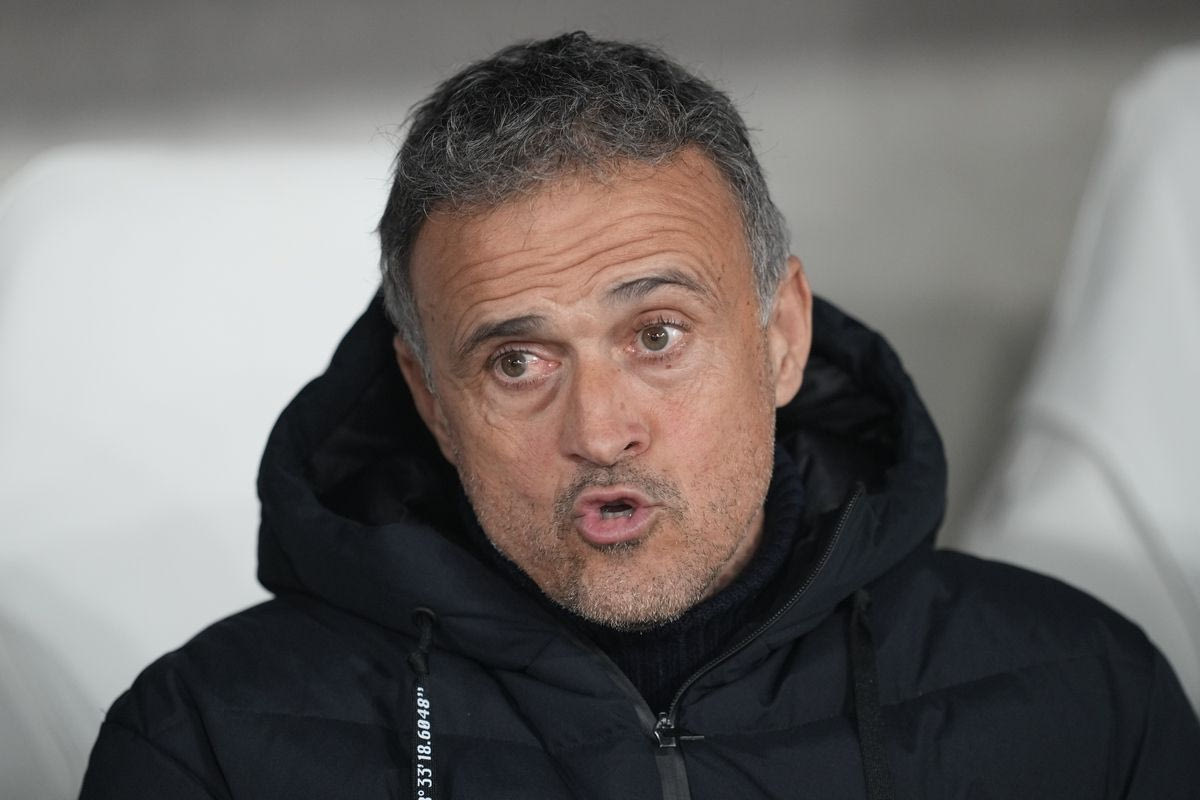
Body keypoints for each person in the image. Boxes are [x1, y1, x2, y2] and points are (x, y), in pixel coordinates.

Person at [80, 32, 1200, 799]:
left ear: (781, 337)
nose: (601, 429)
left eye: (657, 335)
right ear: (431, 400)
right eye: (518, 361)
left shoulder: (1085, 696)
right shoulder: (210, 743)